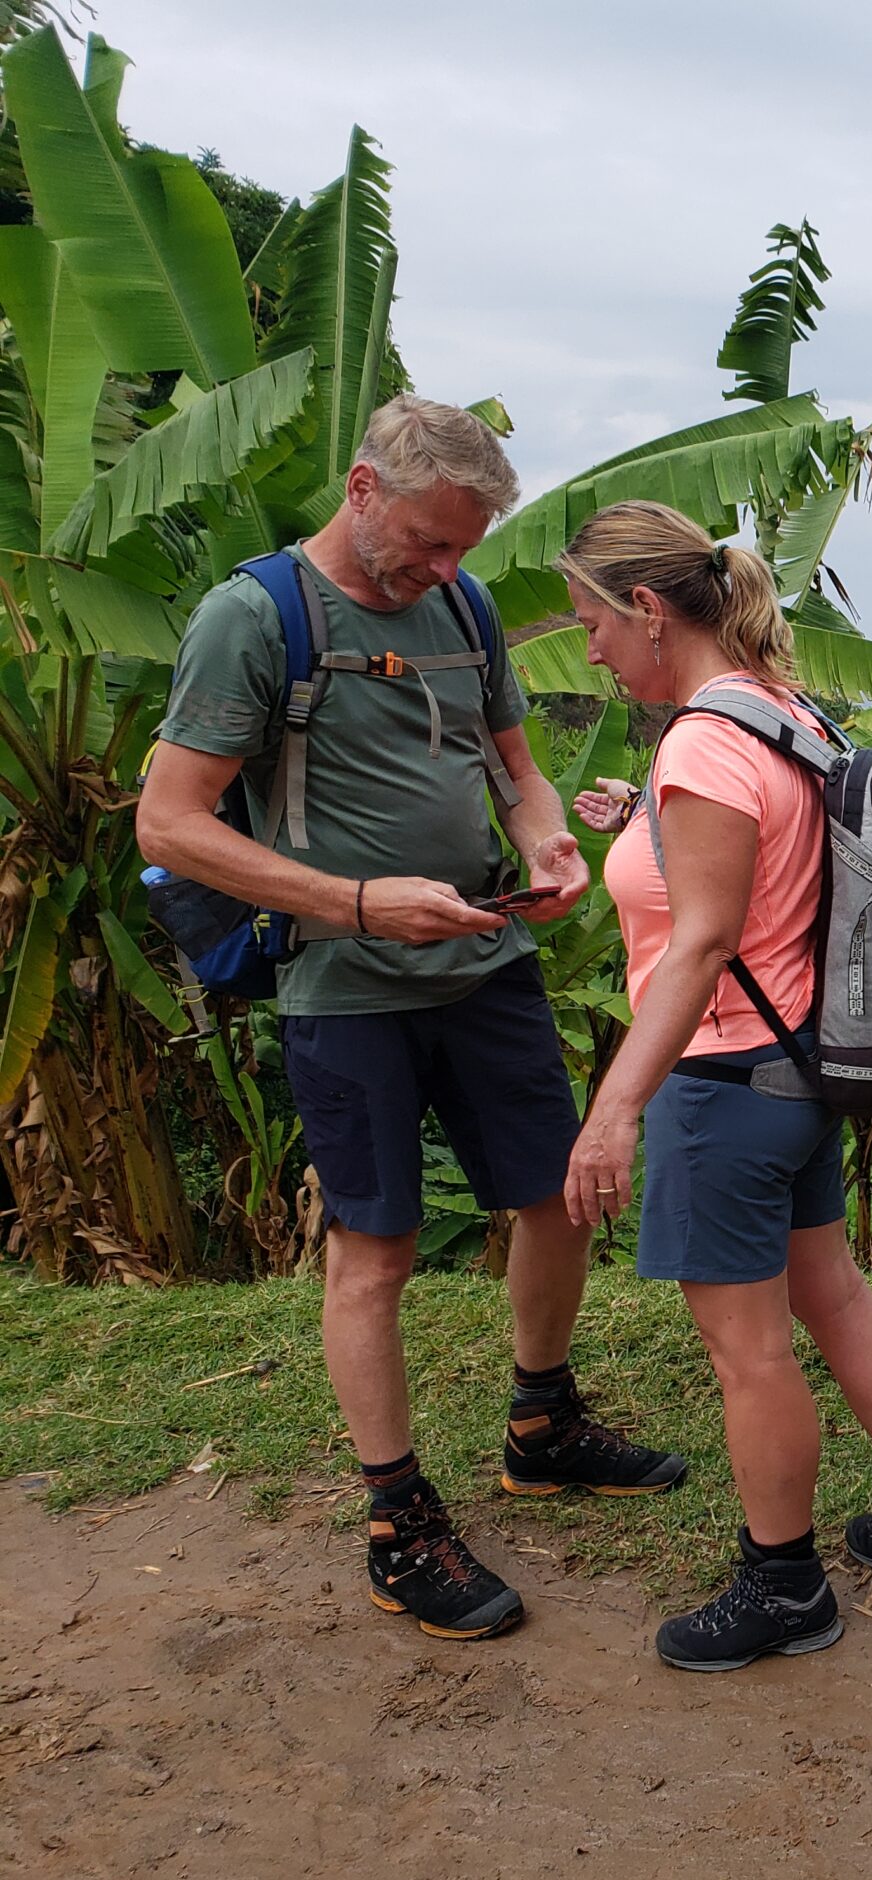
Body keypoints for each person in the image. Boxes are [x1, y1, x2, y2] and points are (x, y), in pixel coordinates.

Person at [137, 397, 685, 1642]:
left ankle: (541, 1424)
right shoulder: (255, 617)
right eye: (430, 542)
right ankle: (399, 1520)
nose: (445, 570)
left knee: (553, 1193)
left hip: (482, 954)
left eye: (464, 549)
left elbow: (515, 763)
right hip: (343, 981)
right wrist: (359, 903)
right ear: (363, 488)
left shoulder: (462, 605)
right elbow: (170, 824)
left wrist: (544, 842)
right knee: (374, 1249)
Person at [556, 501, 872, 1673]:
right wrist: (640, 824)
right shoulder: (784, 714)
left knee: (749, 1351)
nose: (587, 645)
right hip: (801, 1071)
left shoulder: (700, 739)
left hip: (723, 1079)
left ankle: (784, 1585)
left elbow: (699, 947)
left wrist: (614, 1109)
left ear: (648, 611)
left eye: (593, 619)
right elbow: (770, 869)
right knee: (832, 1295)